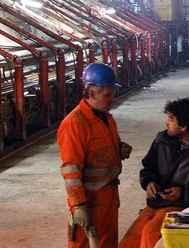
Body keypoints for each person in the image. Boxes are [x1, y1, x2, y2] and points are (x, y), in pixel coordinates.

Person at [119, 97, 189, 248]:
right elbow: (148, 167)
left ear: (183, 126)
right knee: (129, 241)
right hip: (157, 204)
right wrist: (149, 182)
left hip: (185, 207)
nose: (166, 122)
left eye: (171, 118)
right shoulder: (162, 140)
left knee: (150, 234)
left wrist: (183, 193)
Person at [58, 63, 133, 248]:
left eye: (113, 94)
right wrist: (79, 206)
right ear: (91, 93)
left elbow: (97, 148)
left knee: (107, 243)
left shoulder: (106, 117)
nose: (112, 99)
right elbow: (71, 170)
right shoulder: (75, 123)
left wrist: (118, 148)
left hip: (108, 196)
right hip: (89, 200)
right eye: (107, 95)